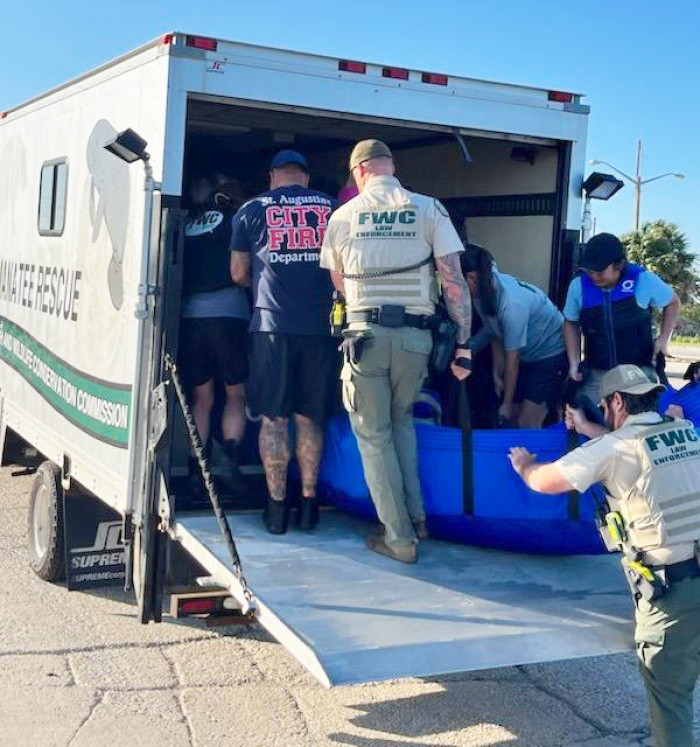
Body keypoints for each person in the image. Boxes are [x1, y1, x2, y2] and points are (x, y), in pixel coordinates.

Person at [508, 364, 700, 747]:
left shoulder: (613, 448)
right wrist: (586, 428)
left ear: (616, 402)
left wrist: (526, 465)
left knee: (672, 702)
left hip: (676, 594)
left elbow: (549, 482)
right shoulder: (686, 432)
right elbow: (629, 448)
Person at [320, 139, 473, 564]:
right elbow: (454, 281)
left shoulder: (343, 216)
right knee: (401, 422)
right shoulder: (428, 208)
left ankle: (399, 538)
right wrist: (463, 345)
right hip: (416, 340)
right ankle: (418, 519)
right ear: (391, 167)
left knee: (373, 436)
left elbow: (339, 283)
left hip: (366, 338)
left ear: (359, 172)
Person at [229, 150, 337, 534]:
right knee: (310, 417)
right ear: (306, 177)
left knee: (274, 420)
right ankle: (308, 506)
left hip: (271, 326)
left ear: (272, 175)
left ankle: (276, 511)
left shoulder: (251, 209)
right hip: (321, 329)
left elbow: (239, 272)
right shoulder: (334, 208)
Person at [180, 177, 250, 496]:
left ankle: (198, 470)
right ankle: (230, 464)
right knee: (235, 395)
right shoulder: (234, 219)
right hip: (231, 316)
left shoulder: (185, 223)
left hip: (191, 318)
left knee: (201, 399)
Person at [563, 232, 680, 403]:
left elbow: (673, 302)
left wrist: (663, 340)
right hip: (597, 374)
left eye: (600, 270)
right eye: (589, 270)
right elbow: (570, 323)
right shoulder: (578, 286)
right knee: (587, 419)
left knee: (638, 423)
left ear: (618, 265)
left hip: (638, 374)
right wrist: (574, 363)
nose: (594, 275)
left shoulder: (643, 280)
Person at [460, 244, 567, 428]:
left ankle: (543, 455)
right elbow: (495, 334)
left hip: (550, 352)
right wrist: (496, 374)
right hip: (525, 353)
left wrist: (507, 403)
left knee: (526, 421)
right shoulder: (480, 294)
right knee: (512, 416)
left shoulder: (512, 303)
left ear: (472, 277)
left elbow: (513, 359)